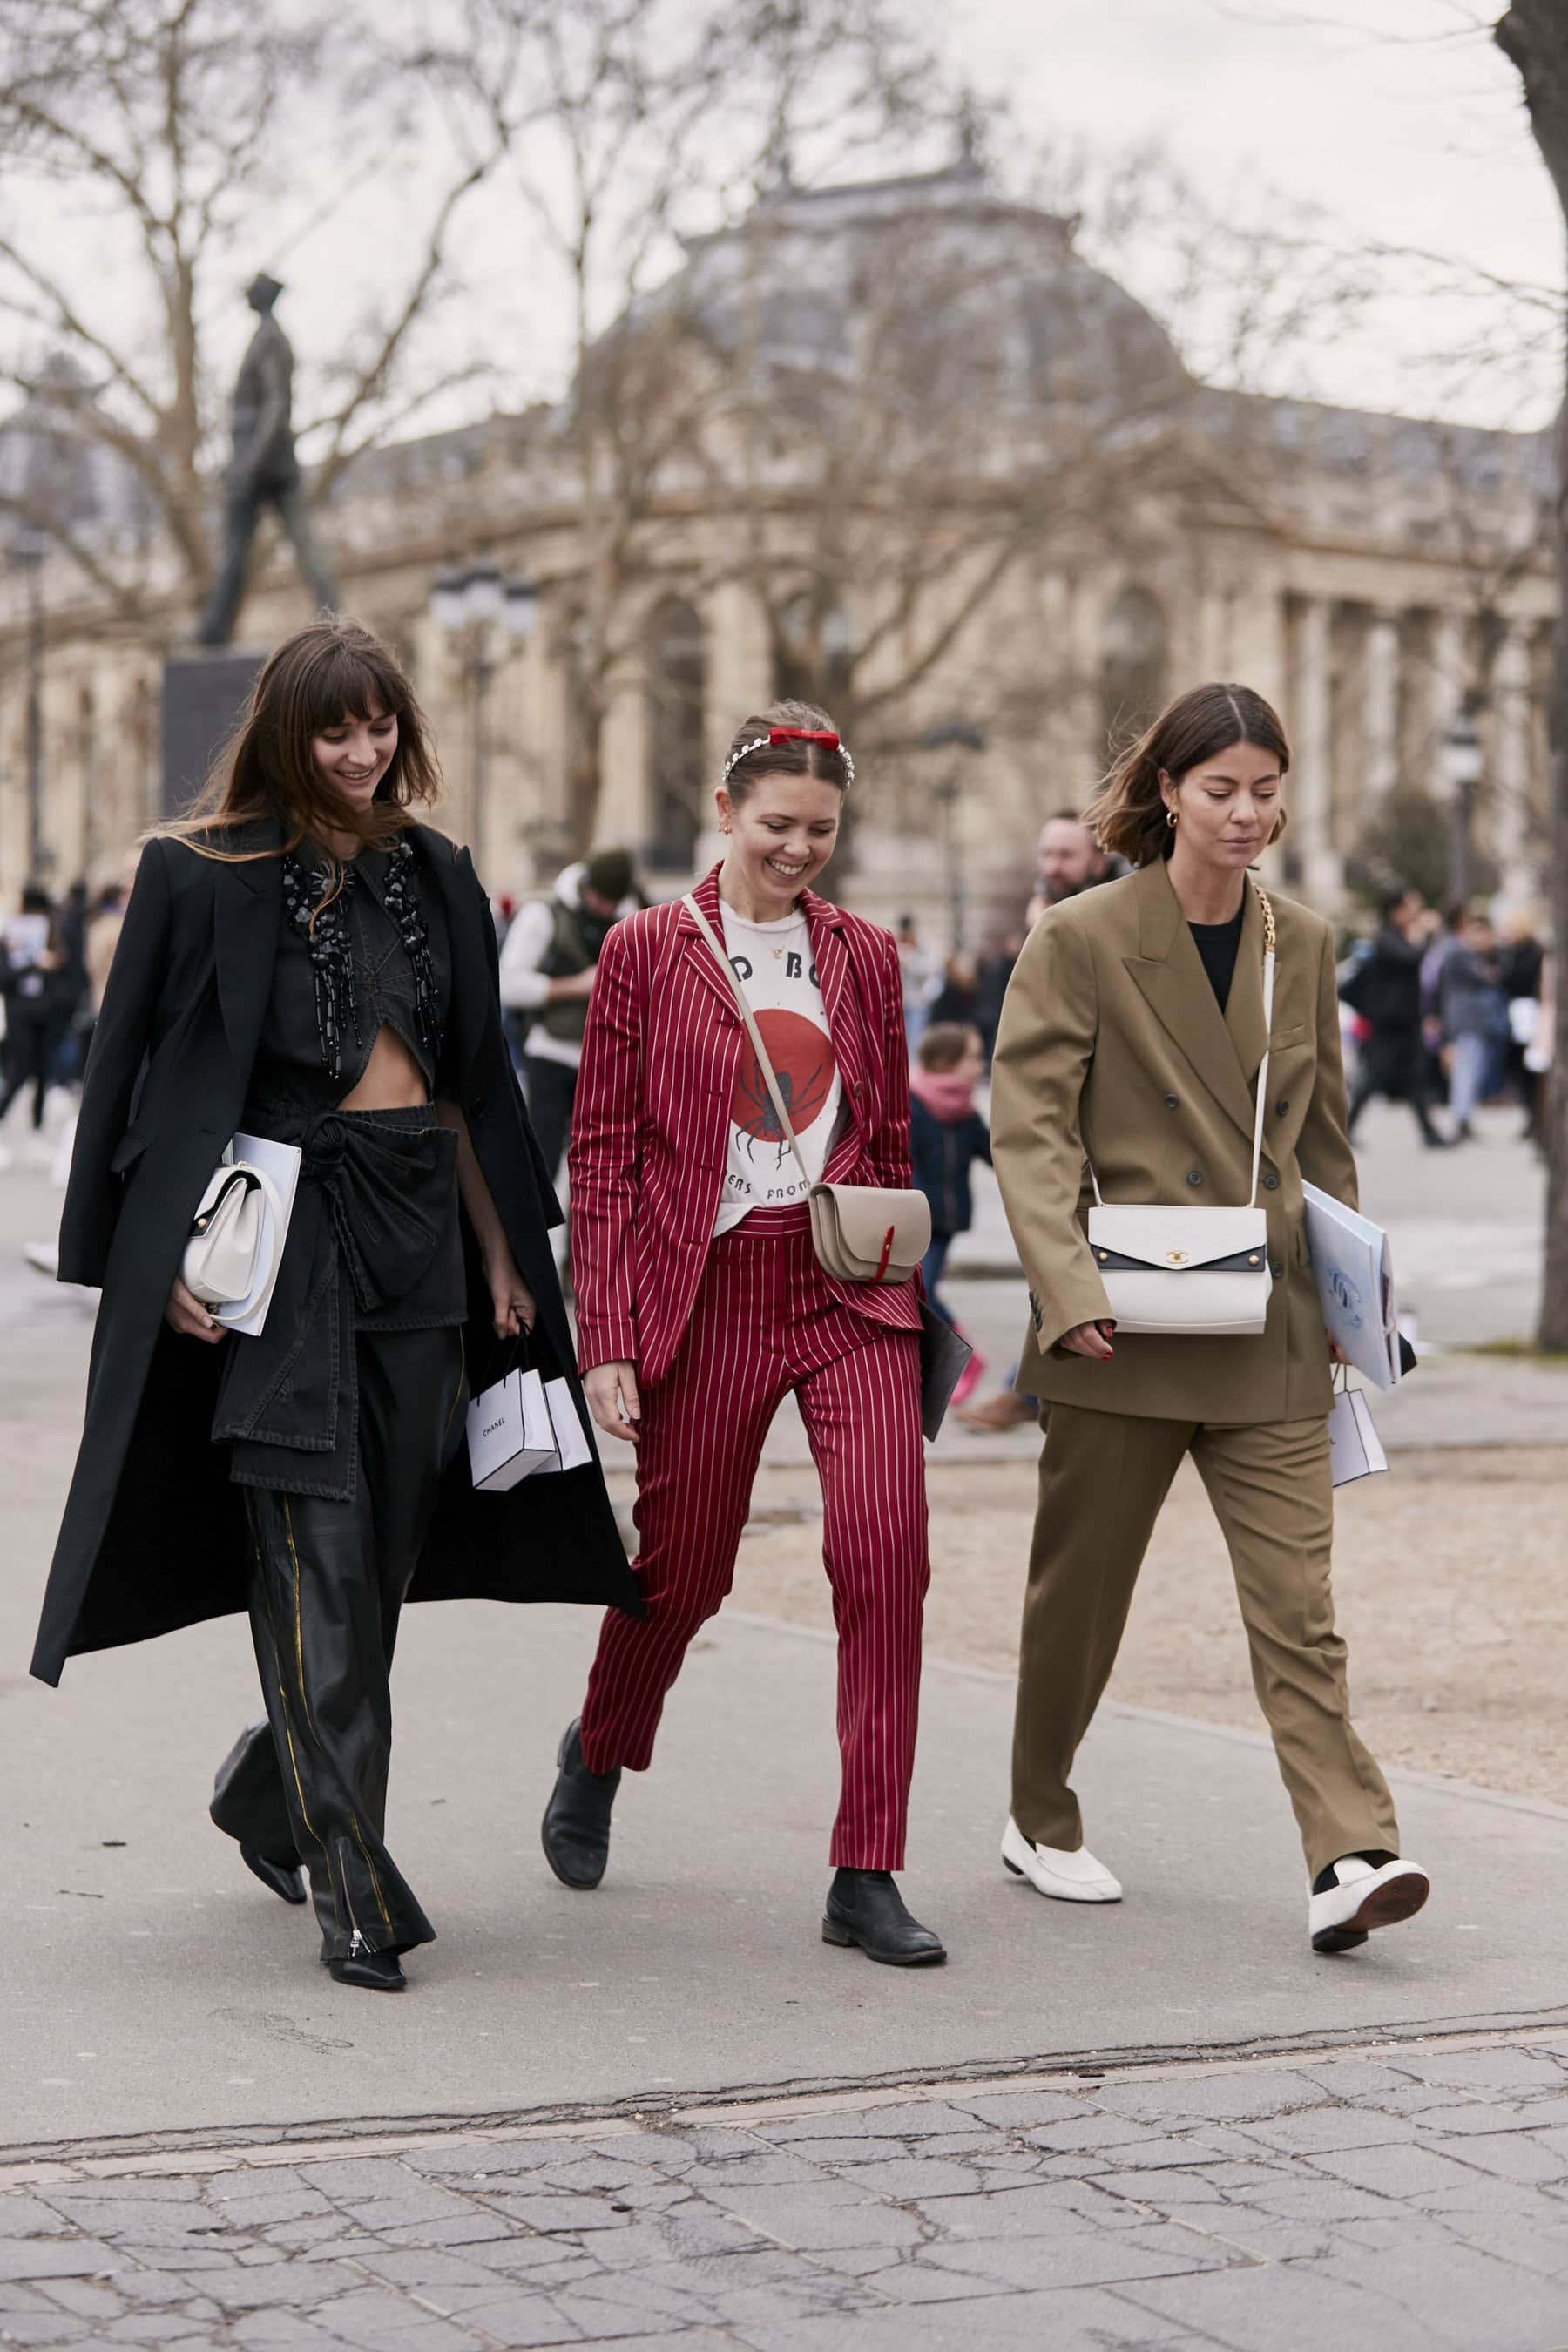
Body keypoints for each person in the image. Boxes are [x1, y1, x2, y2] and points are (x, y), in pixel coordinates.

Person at [32, 617, 639, 1993]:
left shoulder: (441, 872)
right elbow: (131, 1081)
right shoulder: (197, 874)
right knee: (317, 1552)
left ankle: (272, 1786)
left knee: (383, 1563)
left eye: (381, 727)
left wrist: (501, 1257)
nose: (364, 753)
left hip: (427, 1233)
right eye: (336, 729)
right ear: (286, 731)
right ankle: (352, 1885)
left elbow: (474, 1086)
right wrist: (158, 1256)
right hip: (285, 1243)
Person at [990, 680, 1429, 1956]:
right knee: (1078, 1603)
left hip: (1275, 1331)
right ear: (1169, 791)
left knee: (1300, 1606)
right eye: (1223, 789)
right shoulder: (1079, 936)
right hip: (1118, 1324)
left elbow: (1327, 1147)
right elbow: (1029, 1132)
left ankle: (1352, 1854)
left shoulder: (1306, 939)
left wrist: (1358, 1305)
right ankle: (1039, 1815)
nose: (1250, 813)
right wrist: (1064, 1293)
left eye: (1266, 788)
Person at [541, 698, 944, 1967]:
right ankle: (601, 1745)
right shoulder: (647, 953)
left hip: (843, 1286)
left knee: (887, 1558)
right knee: (684, 1573)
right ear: (726, 814)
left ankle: (865, 1866)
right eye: (778, 824)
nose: (800, 848)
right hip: (703, 1290)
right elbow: (601, 1153)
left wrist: (890, 1259)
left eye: (822, 829)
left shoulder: (867, 958)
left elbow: (883, 1133)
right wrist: (604, 1332)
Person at [497, 849, 638, 1192]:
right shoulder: (544, 915)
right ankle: (533, 1244)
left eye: (613, 901)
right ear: (587, 886)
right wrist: (575, 986)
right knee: (541, 1162)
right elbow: (507, 985)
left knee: (599, 1169)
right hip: (551, 1054)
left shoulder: (631, 917)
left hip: (607, 1061)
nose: (606, 908)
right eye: (601, 898)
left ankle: (583, 1246)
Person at [909, 1022, 990, 1404]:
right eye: (973, 1058)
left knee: (921, 1290)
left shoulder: (966, 1113)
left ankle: (955, 1359)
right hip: (913, 1219)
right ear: (946, 1062)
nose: (980, 1066)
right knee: (920, 1290)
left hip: (945, 1221)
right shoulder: (913, 1104)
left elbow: (998, 1156)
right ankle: (958, 1356)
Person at [1342, 885, 1447, 1147]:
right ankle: (1345, 1129)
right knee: (1375, 1075)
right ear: (1396, 911)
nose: (1417, 912)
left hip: (1405, 1019)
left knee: (1415, 1076)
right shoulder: (1387, 937)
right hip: (1389, 1022)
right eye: (1411, 906)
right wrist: (1426, 934)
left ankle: (1429, 1132)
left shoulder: (1397, 935)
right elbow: (1411, 959)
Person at [1439, 907, 1510, 1142]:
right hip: (1468, 1016)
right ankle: (1462, 1118)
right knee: (1467, 1067)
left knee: (1469, 1066)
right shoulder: (1458, 949)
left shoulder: (1451, 947)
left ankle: (1464, 1116)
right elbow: (1485, 976)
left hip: (1464, 1015)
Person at [0, 884, 66, 1133]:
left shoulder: (54, 933)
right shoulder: (9, 936)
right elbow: (5, 978)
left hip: (45, 1010)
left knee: (43, 1072)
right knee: (21, 1070)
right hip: (20, 1012)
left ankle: (37, 1125)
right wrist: (35, 965)